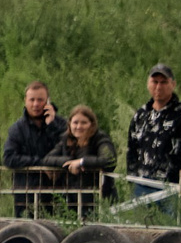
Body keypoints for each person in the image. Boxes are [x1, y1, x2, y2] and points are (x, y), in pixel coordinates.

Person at [124, 63, 181, 216]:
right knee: (139, 223)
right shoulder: (141, 115)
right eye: (155, 82)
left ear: (173, 84)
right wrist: (131, 177)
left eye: (164, 82)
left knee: (170, 227)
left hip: (172, 184)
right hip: (142, 183)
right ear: (148, 84)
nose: (158, 87)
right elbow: (132, 148)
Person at [41, 105, 117, 215]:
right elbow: (47, 159)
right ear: (69, 124)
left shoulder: (100, 138)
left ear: (92, 124)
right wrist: (70, 162)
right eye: (75, 122)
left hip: (99, 198)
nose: (78, 126)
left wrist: (82, 162)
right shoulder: (66, 139)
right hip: (72, 198)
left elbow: (109, 160)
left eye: (83, 123)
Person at [5, 81, 62, 218]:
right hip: (26, 195)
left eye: (40, 100)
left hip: (58, 193)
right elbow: (8, 158)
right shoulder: (17, 129)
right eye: (32, 100)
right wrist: (41, 164)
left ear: (48, 101)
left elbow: (68, 150)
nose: (36, 104)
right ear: (25, 101)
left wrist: (52, 126)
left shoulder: (61, 125)